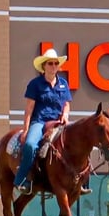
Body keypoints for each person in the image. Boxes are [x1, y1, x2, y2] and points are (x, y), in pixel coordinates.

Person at [13, 48, 92, 195]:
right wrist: (25, 129)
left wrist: (65, 115)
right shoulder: (35, 84)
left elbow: (67, 104)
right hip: (40, 122)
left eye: (56, 63)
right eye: (50, 63)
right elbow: (29, 108)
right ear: (44, 66)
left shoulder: (63, 83)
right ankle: (22, 179)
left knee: (82, 139)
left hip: (59, 122)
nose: (54, 66)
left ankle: (84, 181)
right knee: (30, 145)